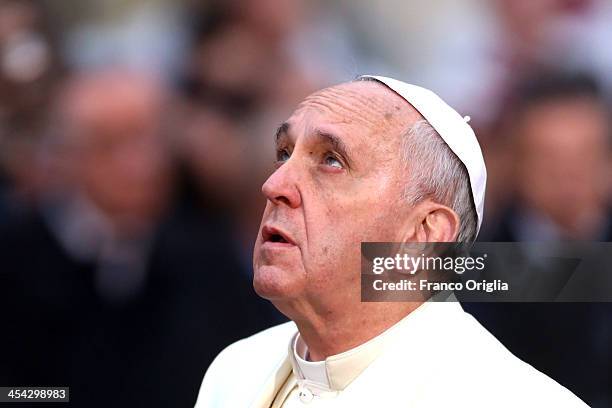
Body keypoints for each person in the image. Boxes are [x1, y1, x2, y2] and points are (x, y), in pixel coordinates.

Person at [195, 76, 587, 407]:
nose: (274, 185)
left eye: (332, 160)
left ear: (425, 234)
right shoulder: (235, 370)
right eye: (284, 154)